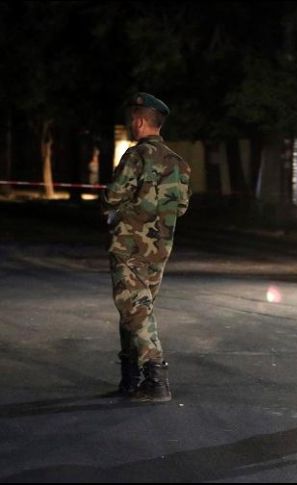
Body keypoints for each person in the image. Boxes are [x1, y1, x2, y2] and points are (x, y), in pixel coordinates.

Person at [102, 92, 191, 403]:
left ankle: (155, 377)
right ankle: (131, 377)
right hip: (159, 248)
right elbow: (179, 208)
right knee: (136, 309)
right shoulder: (178, 163)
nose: (130, 124)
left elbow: (113, 196)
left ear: (139, 121)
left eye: (131, 119)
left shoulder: (135, 157)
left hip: (129, 246)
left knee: (135, 309)